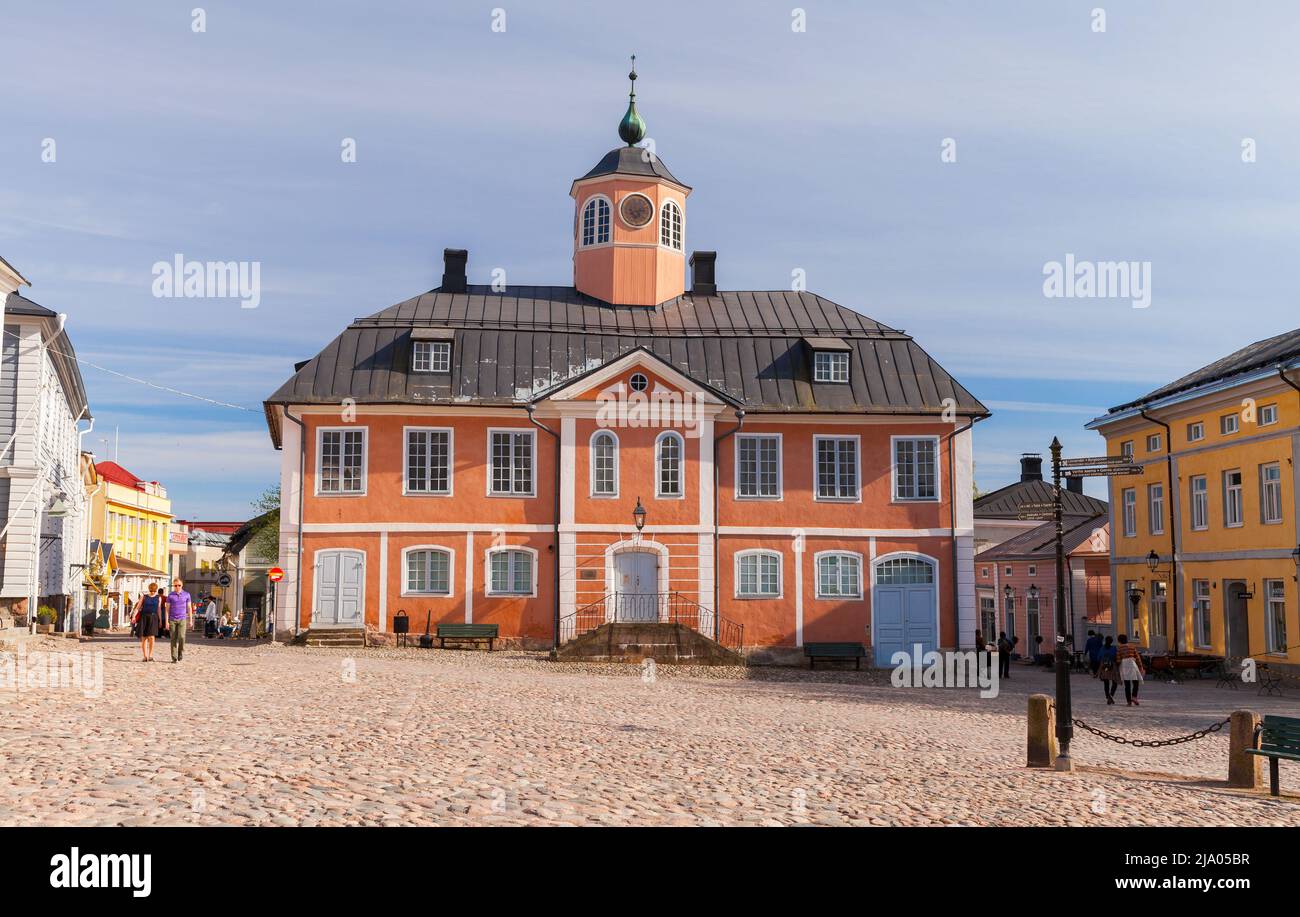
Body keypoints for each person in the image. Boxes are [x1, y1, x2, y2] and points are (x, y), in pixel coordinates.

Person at [133, 582, 163, 662]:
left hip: (153, 618)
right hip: (144, 617)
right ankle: (145, 656)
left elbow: (159, 609)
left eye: (153, 590)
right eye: (151, 590)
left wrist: (160, 620)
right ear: (149, 589)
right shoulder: (144, 597)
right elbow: (138, 607)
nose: (152, 591)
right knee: (144, 638)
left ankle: (150, 655)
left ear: (156, 590)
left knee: (152, 637)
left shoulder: (158, 598)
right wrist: (133, 616)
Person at [165, 578, 193, 663]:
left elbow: (189, 608)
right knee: (173, 638)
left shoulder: (187, 595)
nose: (177, 587)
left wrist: (190, 620)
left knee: (181, 637)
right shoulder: (170, 595)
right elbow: (167, 609)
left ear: (182, 585)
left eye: (179, 585)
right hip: (172, 619)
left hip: (182, 619)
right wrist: (166, 621)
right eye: (175, 585)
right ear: (173, 586)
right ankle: (174, 657)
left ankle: (180, 652)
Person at [1116, 633, 1144, 706]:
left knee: (1127, 684)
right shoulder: (1132, 647)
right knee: (1135, 682)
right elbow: (1137, 657)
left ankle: (1129, 702)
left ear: (1119, 641)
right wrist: (1140, 666)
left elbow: (1118, 660)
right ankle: (1134, 697)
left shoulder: (1119, 648)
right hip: (1132, 664)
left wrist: (1117, 669)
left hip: (1124, 665)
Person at [1096, 635, 1119, 704]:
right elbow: (1116, 657)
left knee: (1106, 683)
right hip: (1112, 667)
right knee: (1115, 682)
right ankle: (1111, 695)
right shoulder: (1114, 648)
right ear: (1111, 642)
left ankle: (1107, 696)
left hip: (1104, 667)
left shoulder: (1102, 648)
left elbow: (1098, 658)